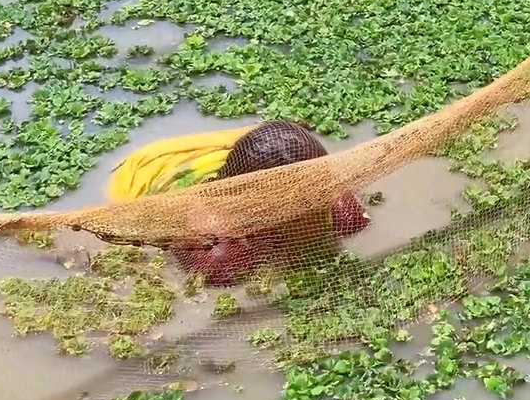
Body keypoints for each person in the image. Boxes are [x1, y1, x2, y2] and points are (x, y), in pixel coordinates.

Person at [108, 120, 370, 287]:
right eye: (302, 204)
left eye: (320, 190)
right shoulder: (218, 250)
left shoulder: (339, 208)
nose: (320, 202)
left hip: (229, 161)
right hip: (154, 169)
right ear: (260, 208)